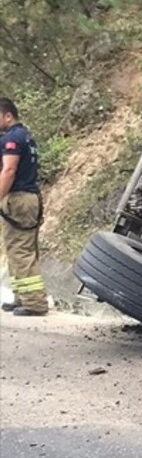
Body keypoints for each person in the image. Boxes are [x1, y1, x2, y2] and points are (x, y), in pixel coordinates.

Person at [0, 97, 48, 317]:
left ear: (7, 115)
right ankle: (22, 296)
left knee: (21, 249)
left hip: (19, 198)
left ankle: (34, 303)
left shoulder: (12, 138)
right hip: (27, 198)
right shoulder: (25, 136)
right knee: (16, 248)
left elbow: (9, 171)